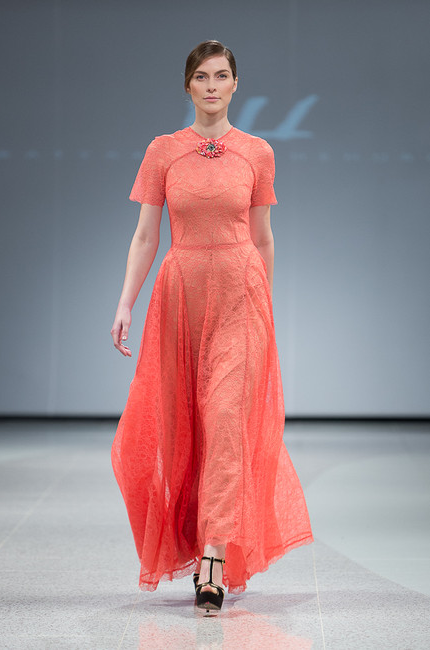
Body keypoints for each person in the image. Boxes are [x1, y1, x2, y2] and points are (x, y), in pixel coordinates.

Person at [110, 39, 313, 612]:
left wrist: (265, 307)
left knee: (225, 422)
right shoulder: (163, 151)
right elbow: (145, 236)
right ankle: (194, 539)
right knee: (183, 430)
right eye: (201, 77)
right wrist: (125, 302)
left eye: (221, 76)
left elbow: (263, 238)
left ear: (235, 83)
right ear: (188, 85)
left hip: (241, 299)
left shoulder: (257, 153)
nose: (212, 86)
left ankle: (213, 560)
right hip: (181, 299)